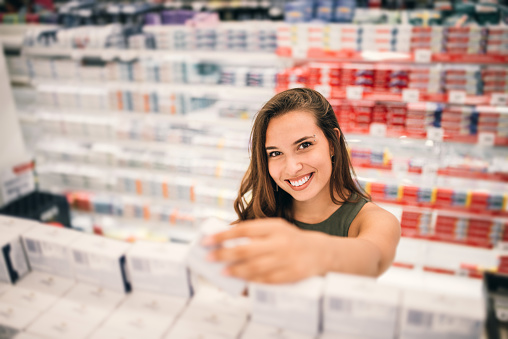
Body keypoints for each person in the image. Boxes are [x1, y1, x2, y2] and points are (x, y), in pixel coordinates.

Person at [203, 88, 400, 284]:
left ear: (332, 143)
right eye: (275, 153)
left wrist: (311, 251)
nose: (292, 167)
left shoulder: (374, 220)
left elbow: (374, 259)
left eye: (304, 145)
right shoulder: (261, 216)